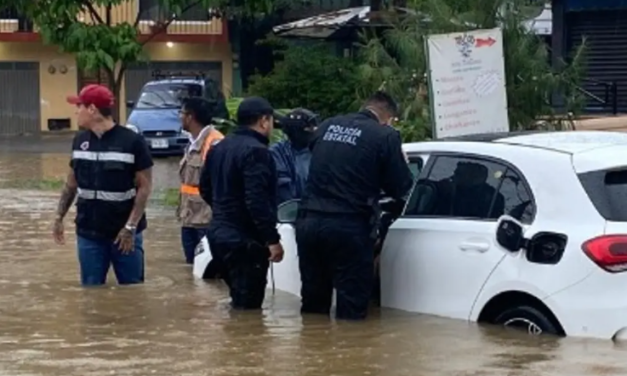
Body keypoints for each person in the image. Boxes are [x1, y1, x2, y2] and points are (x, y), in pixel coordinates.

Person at [295, 91, 414, 320]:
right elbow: (400, 188)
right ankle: (348, 354)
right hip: (347, 226)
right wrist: (399, 162)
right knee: (352, 306)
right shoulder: (384, 136)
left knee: (313, 303)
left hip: (309, 224)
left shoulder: (328, 125)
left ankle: (311, 352)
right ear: (388, 117)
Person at [52, 84, 153, 286]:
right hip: (89, 234)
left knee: (132, 293)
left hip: (124, 234)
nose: (75, 111)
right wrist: (58, 217)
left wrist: (130, 227)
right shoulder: (79, 141)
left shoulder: (132, 142)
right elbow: (71, 185)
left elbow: (145, 187)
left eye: (79, 106)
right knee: (91, 295)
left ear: (92, 109)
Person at [198, 96, 284, 310]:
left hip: (218, 237)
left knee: (238, 301)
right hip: (245, 242)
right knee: (249, 311)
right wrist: (272, 240)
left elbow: (205, 189)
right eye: (272, 121)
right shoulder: (257, 151)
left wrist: (224, 212)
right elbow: (257, 200)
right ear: (264, 121)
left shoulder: (219, 147)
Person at [178, 97, 224, 264]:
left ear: (190, 117)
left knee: (207, 270)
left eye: (181, 113)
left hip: (207, 220)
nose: (179, 117)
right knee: (191, 270)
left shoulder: (215, 142)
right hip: (189, 217)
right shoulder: (192, 142)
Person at [270, 108, 319, 204]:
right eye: (310, 127)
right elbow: (284, 189)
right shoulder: (278, 152)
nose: (315, 130)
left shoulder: (320, 149)